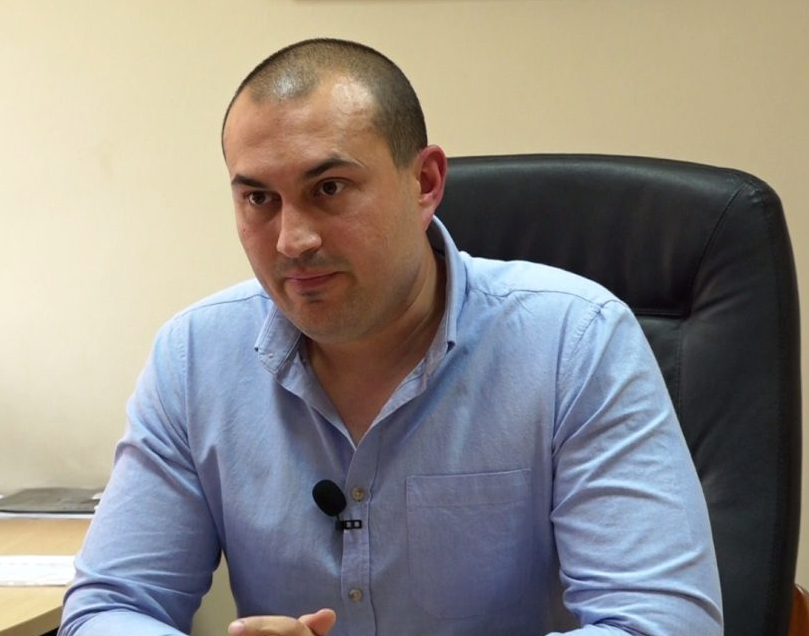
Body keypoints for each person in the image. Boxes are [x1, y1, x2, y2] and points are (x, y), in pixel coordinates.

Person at [59, 38, 723, 636]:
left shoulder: (575, 342)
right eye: (258, 198)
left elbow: (663, 621)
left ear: (424, 183)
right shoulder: (193, 358)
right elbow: (108, 607)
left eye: (329, 188)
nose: (292, 240)